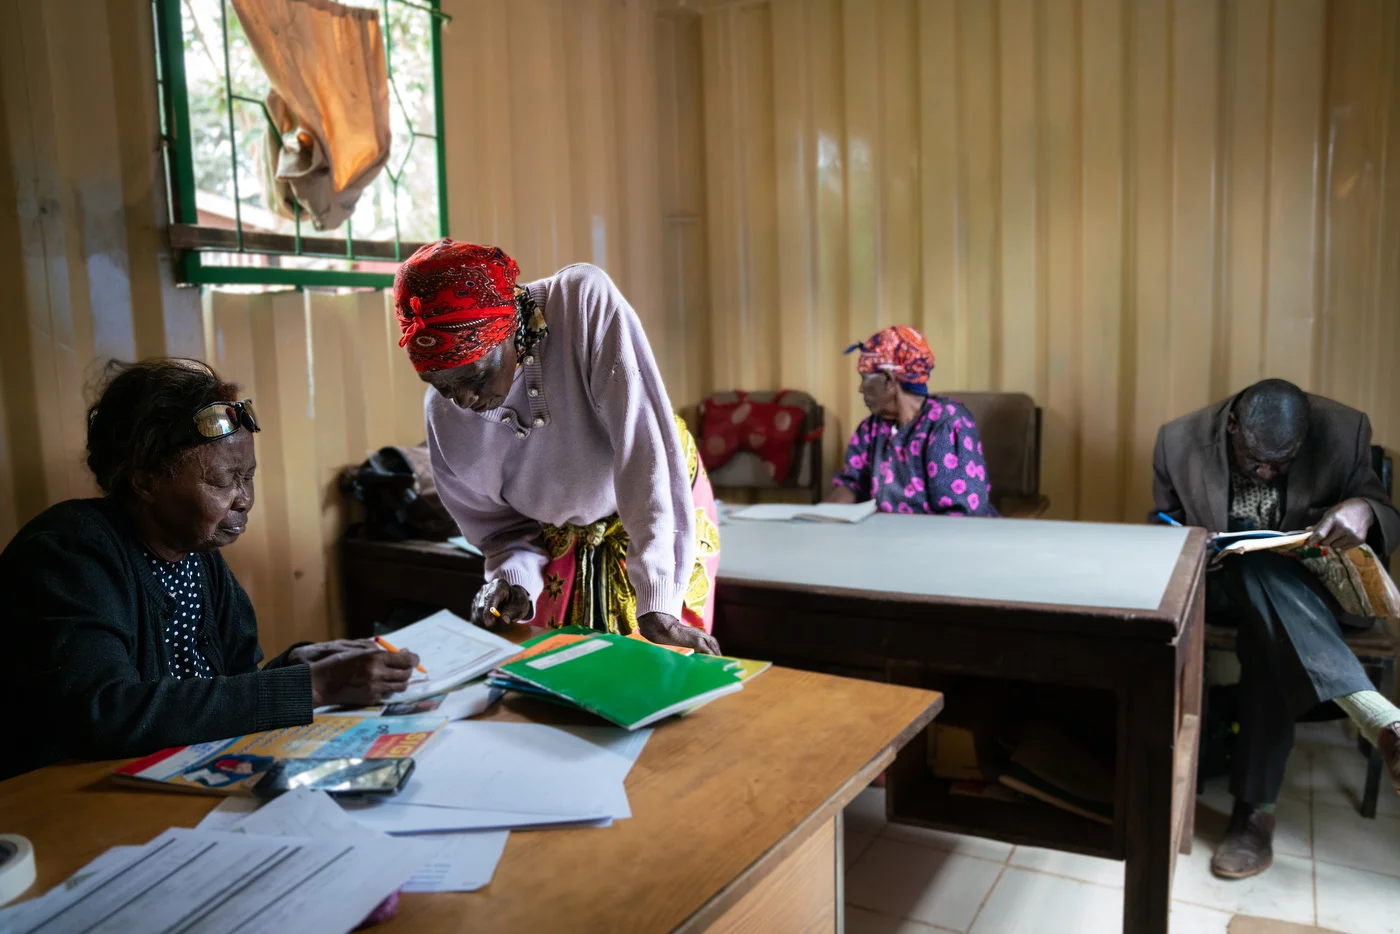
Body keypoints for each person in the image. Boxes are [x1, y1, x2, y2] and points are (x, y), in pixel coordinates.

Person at [0, 359, 421, 781]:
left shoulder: (196, 553)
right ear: (145, 481)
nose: (244, 500)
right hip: (55, 798)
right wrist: (312, 686)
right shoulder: (69, 554)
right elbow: (105, 713)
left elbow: (221, 690)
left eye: (248, 477)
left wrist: (295, 666)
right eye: (222, 482)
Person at [394, 240, 721, 654]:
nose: (463, 401)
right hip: (560, 531)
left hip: (659, 510)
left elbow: (647, 453)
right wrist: (512, 579)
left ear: (509, 329)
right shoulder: (445, 418)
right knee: (566, 669)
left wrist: (658, 597)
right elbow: (501, 531)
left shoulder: (582, 304)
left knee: (663, 664)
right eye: (443, 387)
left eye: (475, 378)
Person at [1152, 378, 1400, 880]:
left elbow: (1386, 511)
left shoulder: (1345, 430)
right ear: (1233, 427)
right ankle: (1377, 721)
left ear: (1306, 435)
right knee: (1250, 567)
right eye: (1254, 461)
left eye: (1281, 464)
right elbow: (1162, 525)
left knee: (1268, 633)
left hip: (1314, 599)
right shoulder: (1177, 441)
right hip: (1220, 590)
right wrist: (1184, 542)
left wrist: (1365, 511)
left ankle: (1253, 816)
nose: (1266, 473)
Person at [827, 325, 998, 516]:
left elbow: (961, 515)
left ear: (889, 380)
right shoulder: (871, 428)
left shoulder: (946, 423)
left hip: (942, 539)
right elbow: (851, 483)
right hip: (889, 538)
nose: (861, 389)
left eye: (865, 378)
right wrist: (823, 516)